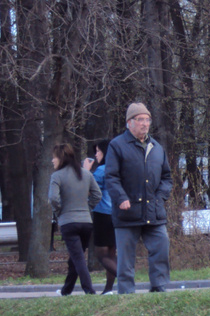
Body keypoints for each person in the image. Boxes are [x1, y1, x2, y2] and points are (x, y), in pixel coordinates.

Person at [105, 102, 173, 293]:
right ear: (129, 123)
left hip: (154, 212)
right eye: (140, 119)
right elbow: (111, 177)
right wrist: (121, 198)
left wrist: (160, 198)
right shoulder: (117, 146)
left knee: (161, 247)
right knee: (125, 258)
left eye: (147, 119)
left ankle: (159, 288)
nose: (145, 123)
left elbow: (167, 178)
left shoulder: (157, 147)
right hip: (127, 213)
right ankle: (126, 294)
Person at [49, 143, 102, 296]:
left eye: (54, 158)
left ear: (61, 158)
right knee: (75, 257)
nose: (52, 161)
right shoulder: (86, 174)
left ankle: (89, 291)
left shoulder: (56, 176)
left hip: (68, 222)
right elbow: (97, 195)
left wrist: (59, 212)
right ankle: (66, 290)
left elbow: (53, 198)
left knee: (78, 258)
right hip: (86, 222)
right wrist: (87, 208)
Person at [83, 140, 117, 294]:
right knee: (111, 253)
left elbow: (88, 190)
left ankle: (126, 277)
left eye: (98, 151)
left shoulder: (100, 171)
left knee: (101, 254)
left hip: (102, 214)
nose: (96, 154)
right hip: (118, 214)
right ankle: (108, 289)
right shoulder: (118, 168)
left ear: (105, 152)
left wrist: (86, 171)